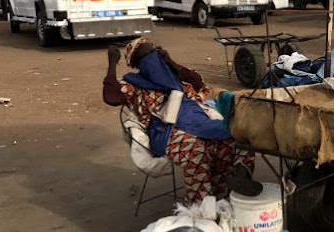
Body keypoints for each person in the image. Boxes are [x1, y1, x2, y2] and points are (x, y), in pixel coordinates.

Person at [103, 37, 258, 202]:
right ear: (137, 63)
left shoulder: (175, 77)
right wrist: (112, 63)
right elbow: (110, 96)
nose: (151, 57)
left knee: (240, 135)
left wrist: (170, 62)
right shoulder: (135, 85)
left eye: (153, 52)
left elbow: (199, 84)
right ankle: (201, 207)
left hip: (199, 122)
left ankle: (237, 181)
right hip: (167, 131)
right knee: (196, 150)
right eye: (145, 55)